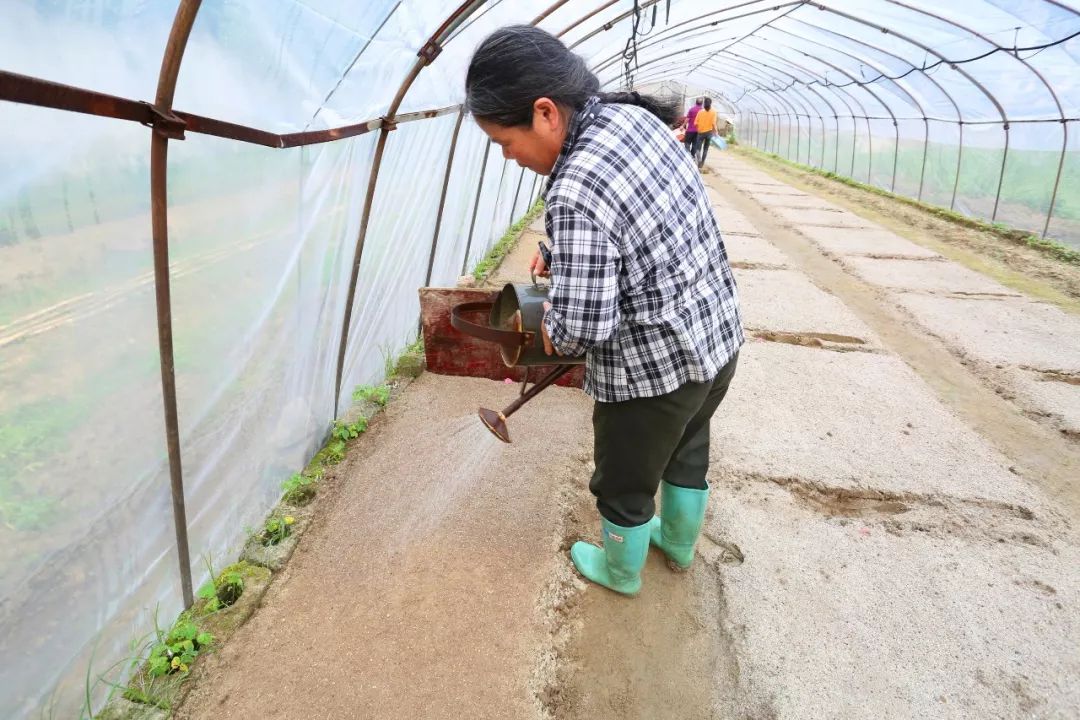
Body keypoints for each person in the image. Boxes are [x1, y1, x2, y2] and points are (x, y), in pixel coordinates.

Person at [465, 26, 743, 596]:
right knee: (688, 448)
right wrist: (560, 254)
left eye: (503, 141)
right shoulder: (635, 120)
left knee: (623, 480)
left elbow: (584, 330)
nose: (508, 157)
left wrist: (550, 317)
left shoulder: (573, 190)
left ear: (545, 113)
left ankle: (620, 573)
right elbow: (640, 224)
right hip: (716, 341)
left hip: (653, 375)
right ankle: (681, 545)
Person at [692, 98, 718, 168]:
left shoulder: (700, 112)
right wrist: (716, 132)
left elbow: (695, 123)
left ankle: (699, 160)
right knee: (706, 149)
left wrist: (698, 129)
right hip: (709, 133)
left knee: (698, 148)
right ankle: (702, 163)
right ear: (711, 103)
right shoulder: (714, 112)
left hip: (700, 133)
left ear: (704, 103)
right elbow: (713, 123)